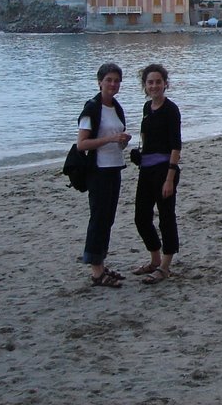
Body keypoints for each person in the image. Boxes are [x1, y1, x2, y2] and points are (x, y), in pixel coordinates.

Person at [77, 62, 131, 288]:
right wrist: (110, 139)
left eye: (116, 80)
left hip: (114, 167)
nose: (113, 84)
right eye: (108, 80)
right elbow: (82, 144)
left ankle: (100, 261)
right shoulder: (91, 108)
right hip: (98, 170)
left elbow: (117, 140)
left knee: (107, 218)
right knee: (98, 218)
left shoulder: (116, 108)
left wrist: (122, 141)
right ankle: (96, 271)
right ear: (100, 82)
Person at [132, 63, 183, 286]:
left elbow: (175, 146)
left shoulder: (171, 110)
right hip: (147, 169)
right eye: (150, 82)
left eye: (158, 82)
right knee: (141, 217)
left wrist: (170, 178)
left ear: (165, 84)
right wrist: (139, 155)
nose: (154, 86)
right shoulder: (147, 108)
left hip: (165, 170)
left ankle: (165, 265)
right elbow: (148, 140)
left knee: (166, 218)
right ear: (145, 85)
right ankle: (154, 259)